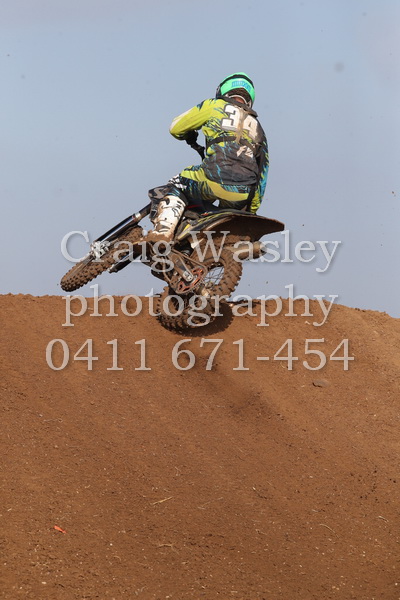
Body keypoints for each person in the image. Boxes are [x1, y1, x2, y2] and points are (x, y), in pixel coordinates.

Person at [146, 72, 269, 243]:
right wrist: (252, 210)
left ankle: (162, 233)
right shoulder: (259, 128)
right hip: (243, 193)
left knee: (177, 184)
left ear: (222, 90)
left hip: (213, 179)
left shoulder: (214, 105)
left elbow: (175, 127)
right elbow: (262, 175)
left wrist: (188, 134)